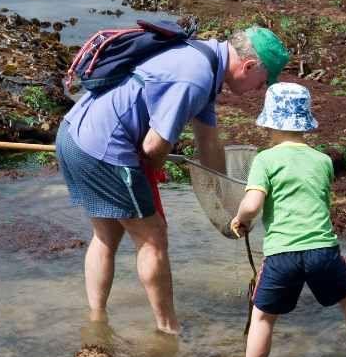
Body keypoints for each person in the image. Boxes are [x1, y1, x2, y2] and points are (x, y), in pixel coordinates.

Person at [55, 26, 290, 335]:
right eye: (263, 81)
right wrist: (152, 171)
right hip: (104, 149)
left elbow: (209, 145)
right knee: (153, 237)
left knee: (107, 235)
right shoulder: (197, 77)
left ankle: (97, 321)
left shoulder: (202, 58)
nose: (260, 90)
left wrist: (226, 199)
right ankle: (169, 330)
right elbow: (154, 147)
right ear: (248, 66)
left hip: (73, 135)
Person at [220, 82, 346, 357]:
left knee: (263, 317)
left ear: (270, 122)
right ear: (305, 123)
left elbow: (252, 203)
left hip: (281, 255)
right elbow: (321, 204)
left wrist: (241, 219)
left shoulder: (265, 159)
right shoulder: (323, 161)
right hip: (323, 251)